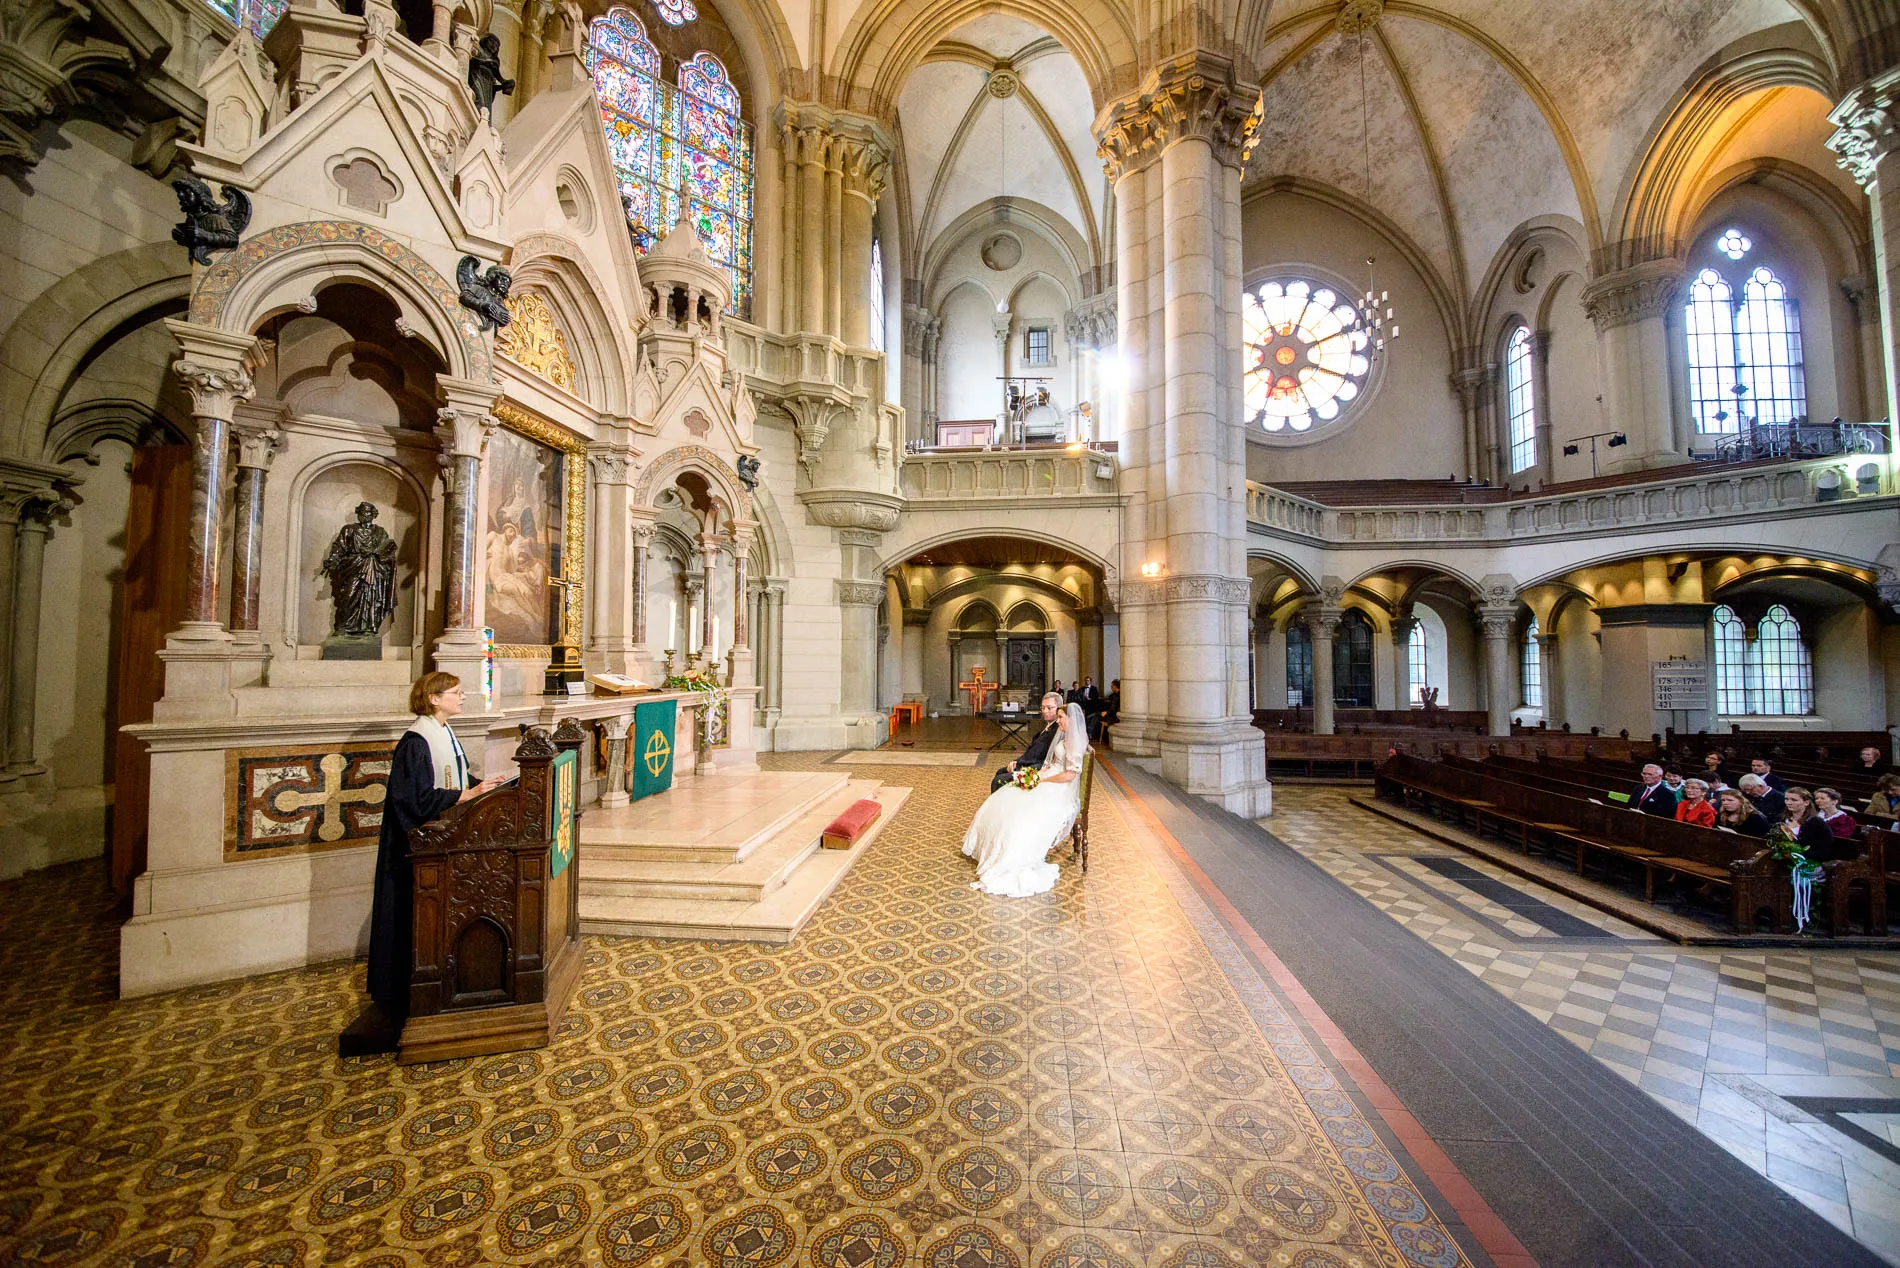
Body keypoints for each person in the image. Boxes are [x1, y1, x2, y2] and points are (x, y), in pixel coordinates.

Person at [366, 672, 504, 1030]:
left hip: (445, 839)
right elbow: (413, 799)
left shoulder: (443, 732)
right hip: (417, 848)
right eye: (456, 693)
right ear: (433, 698)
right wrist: (466, 795)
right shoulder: (416, 741)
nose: (463, 697)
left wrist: (481, 786)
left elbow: (454, 777)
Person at [962, 702, 1089, 897]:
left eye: (1061, 717)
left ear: (1071, 720)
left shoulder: (1074, 743)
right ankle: (992, 848)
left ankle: (1013, 855)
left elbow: (1069, 775)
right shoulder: (1062, 738)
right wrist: (1035, 775)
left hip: (1059, 788)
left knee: (1026, 811)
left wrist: (1043, 780)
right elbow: (1052, 763)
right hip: (1047, 778)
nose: (1059, 721)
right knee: (1009, 795)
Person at [991, 691, 1061, 793]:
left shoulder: (1057, 730)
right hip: (1029, 763)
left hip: (1037, 768)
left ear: (1059, 709)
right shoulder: (1049, 726)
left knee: (998, 780)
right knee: (1000, 772)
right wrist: (1016, 761)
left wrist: (1021, 768)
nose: (1045, 711)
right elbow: (1032, 752)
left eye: (1049, 708)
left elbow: (1045, 759)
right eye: (1042, 707)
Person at [1781, 786, 1856, 863]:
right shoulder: (1783, 818)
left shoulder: (1817, 822)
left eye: (1822, 798)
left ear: (1835, 801)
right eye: (1816, 798)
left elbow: (1826, 845)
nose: (1818, 801)